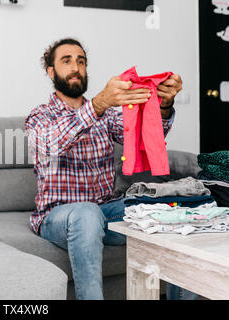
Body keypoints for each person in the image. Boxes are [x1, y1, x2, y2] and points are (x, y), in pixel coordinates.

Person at [25, 38, 196, 300]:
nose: (76, 67)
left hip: (106, 210)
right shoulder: (39, 117)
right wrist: (97, 104)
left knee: (168, 215)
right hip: (57, 217)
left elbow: (144, 139)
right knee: (87, 213)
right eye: (67, 60)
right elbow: (52, 143)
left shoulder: (105, 116)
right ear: (51, 71)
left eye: (81, 61)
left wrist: (163, 104)